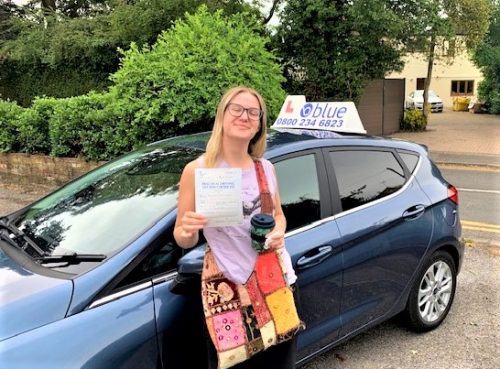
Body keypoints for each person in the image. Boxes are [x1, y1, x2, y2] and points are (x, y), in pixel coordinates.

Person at [173, 86, 299, 369]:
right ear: (222, 115)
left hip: (275, 282)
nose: (245, 116)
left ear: (259, 124)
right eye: (237, 109)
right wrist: (188, 228)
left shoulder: (265, 168)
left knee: (279, 365)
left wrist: (279, 230)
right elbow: (183, 239)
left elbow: (279, 215)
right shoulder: (198, 170)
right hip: (228, 289)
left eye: (253, 112)